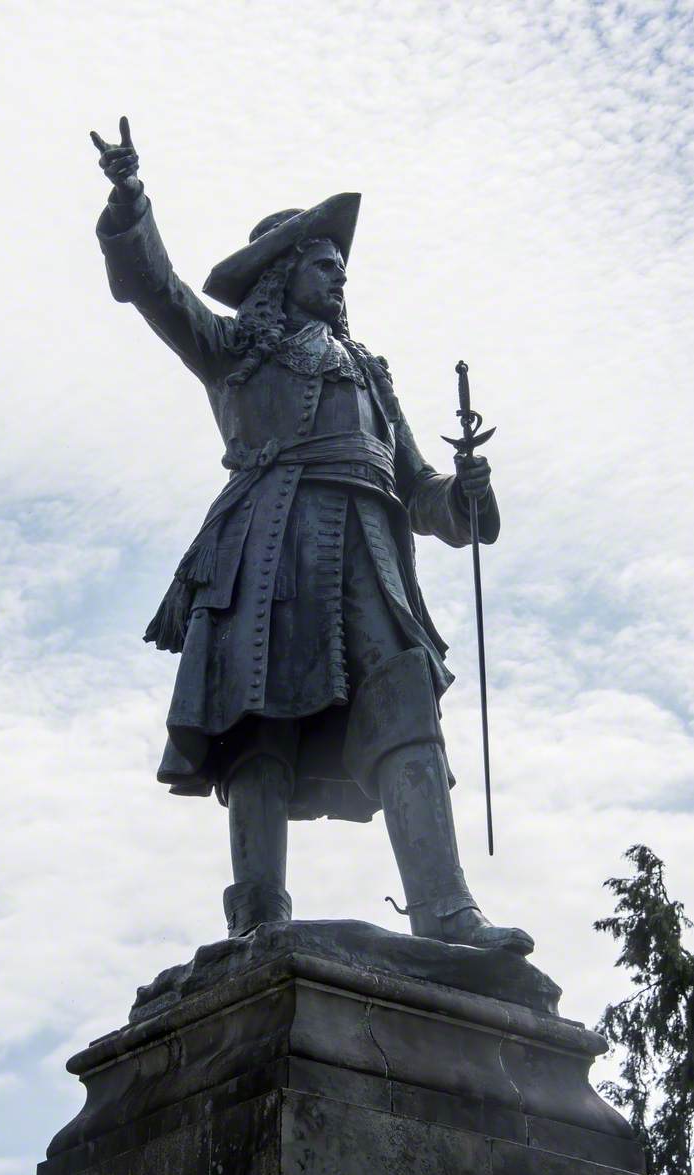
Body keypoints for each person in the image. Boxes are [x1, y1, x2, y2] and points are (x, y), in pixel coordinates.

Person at [90, 117, 533, 955]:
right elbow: (158, 288)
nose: (339, 278)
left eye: (339, 267)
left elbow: (418, 489)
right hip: (269, 540)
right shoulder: (233, 352)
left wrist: (465, 498)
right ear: (284, 273)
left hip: (370, 551)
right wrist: (130, 202)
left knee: (402, 694)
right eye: (325, 264)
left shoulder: (367, 371)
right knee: (256, 720)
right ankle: (257, 913)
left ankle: (446, 911)